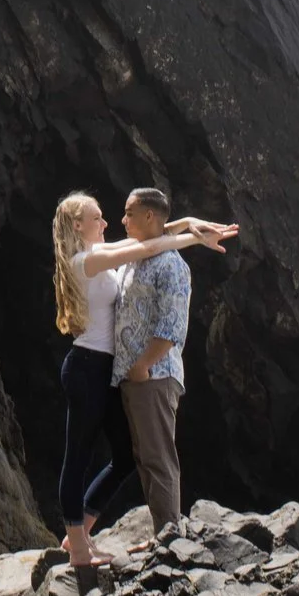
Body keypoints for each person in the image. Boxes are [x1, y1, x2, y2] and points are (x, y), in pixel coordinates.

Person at [49, 193, 209, 573]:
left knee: (125, 456)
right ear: (78, 226)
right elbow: (148, 246)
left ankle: (81, 531)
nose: (107, 223)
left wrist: (188, 223)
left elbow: (147, 239)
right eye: (98, 218)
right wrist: (195, 236)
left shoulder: (99, 252)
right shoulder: (85, 260)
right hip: (87, 367)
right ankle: (78, 549)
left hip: (106, 370)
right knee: (78, 457)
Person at [113, 187, 238, 536]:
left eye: (129, 213)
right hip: (134, 375)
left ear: (148, 216)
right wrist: (188, 224)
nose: (123, 220)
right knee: (145, 456)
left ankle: (170, 539)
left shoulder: (171, 265)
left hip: (154, 375)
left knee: (158, 456)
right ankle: (163, 533)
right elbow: (161, 233)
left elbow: (172, 325)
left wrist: (143, 365)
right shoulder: (140, 252)